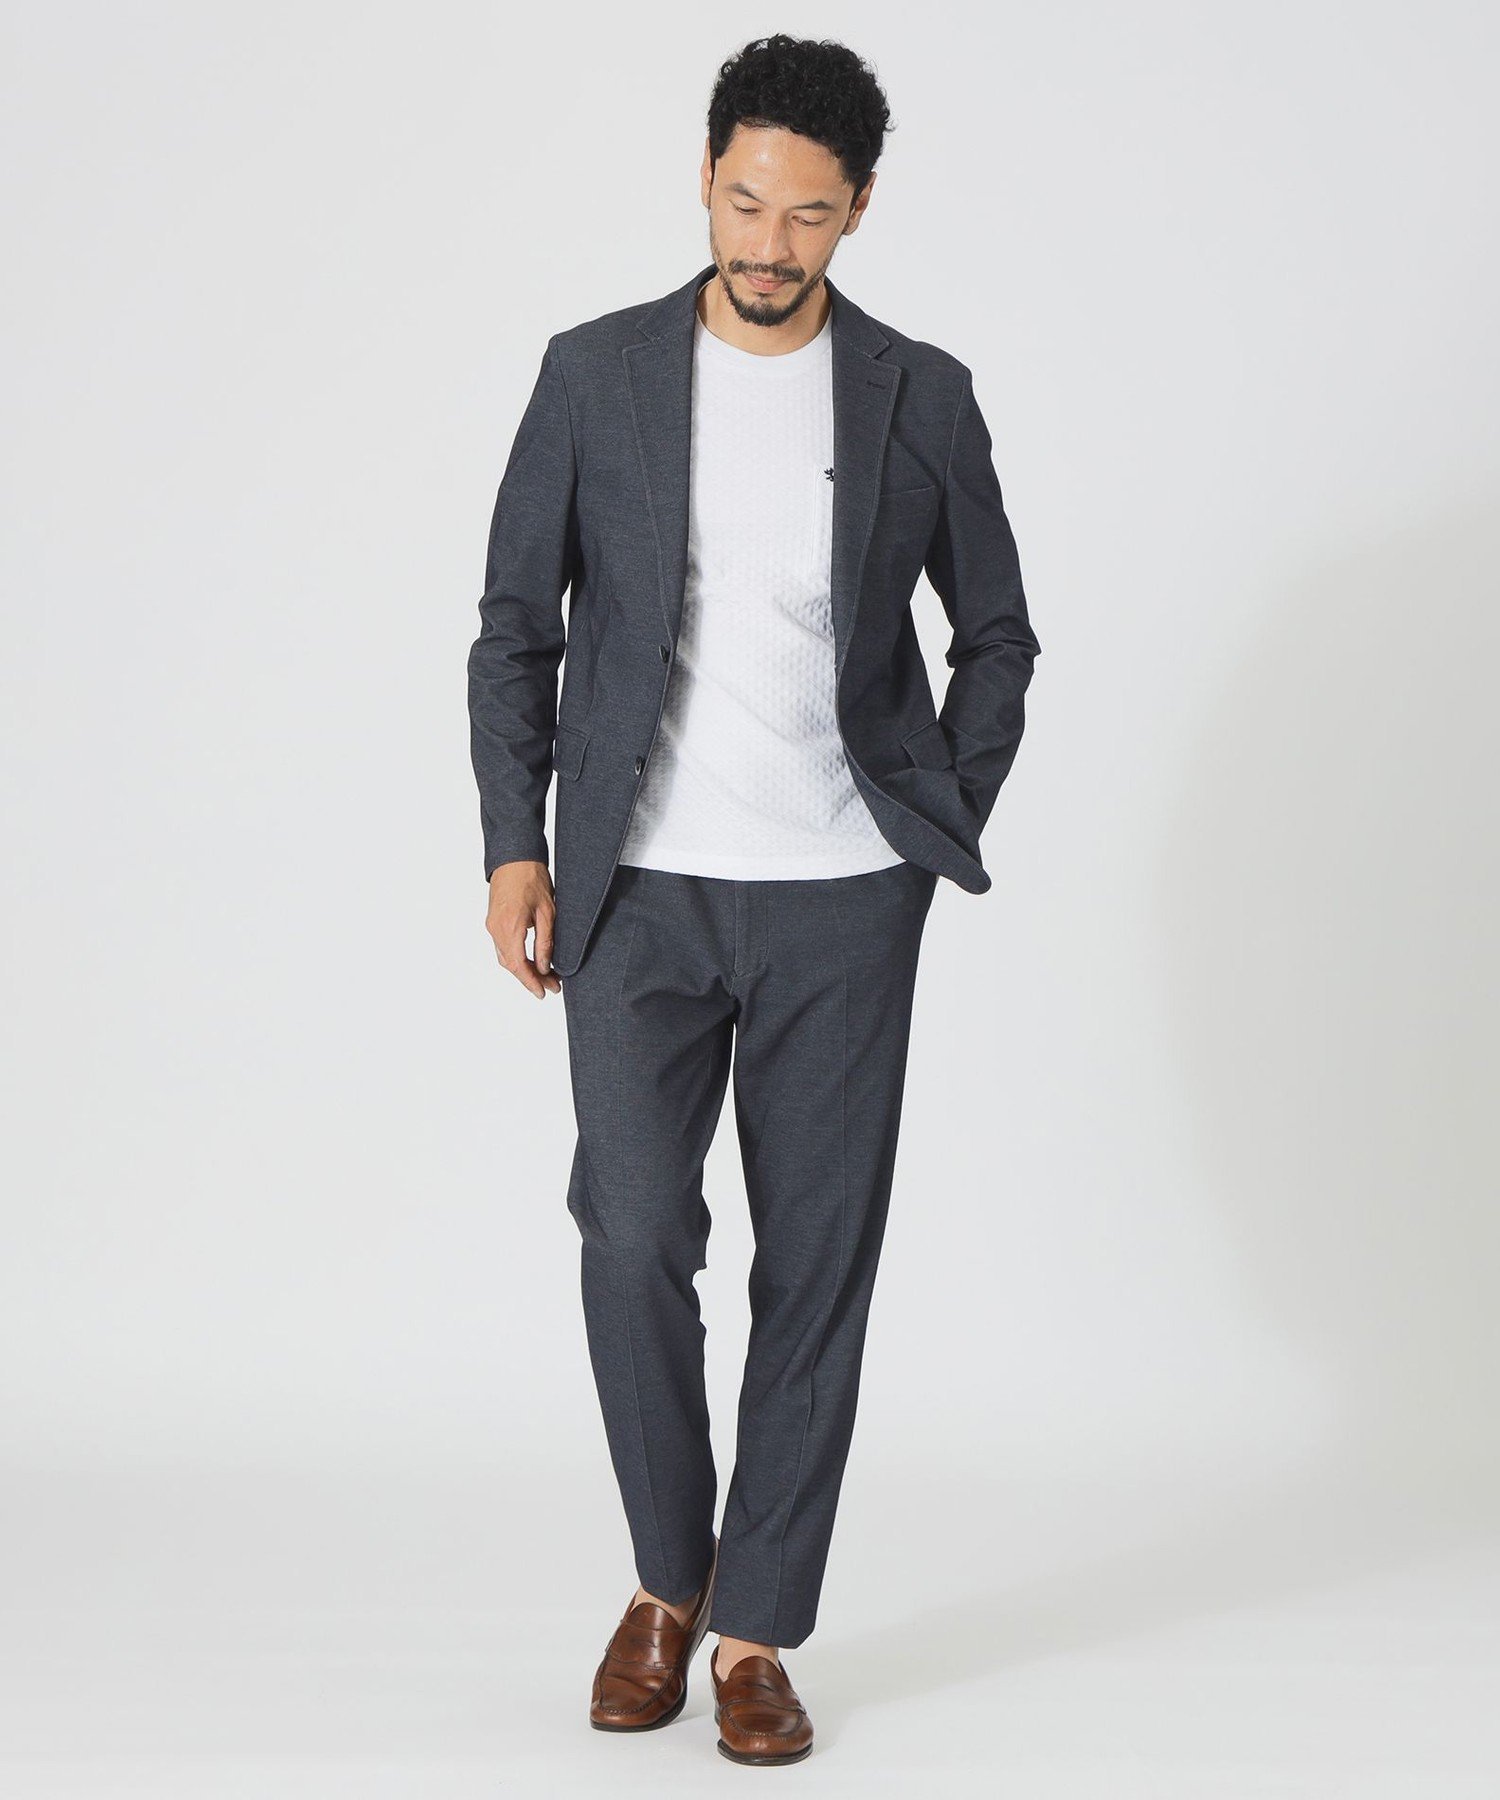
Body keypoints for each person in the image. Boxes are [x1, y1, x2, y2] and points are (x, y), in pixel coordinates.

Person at [466, 32, 1040, 1766]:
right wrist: (514, 845)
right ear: (705, 180)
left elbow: (995, 634)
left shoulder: (919, 393)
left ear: (859, 210)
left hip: (843, 902)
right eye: (742, 201)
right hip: (637, 889)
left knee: (819, 1263)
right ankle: (667, 1580)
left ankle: (755, 1632)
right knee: (634, 1233)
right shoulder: (596, 374)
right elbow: (516, 630)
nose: (767, 243)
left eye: (805, 214)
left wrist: (934, 815)